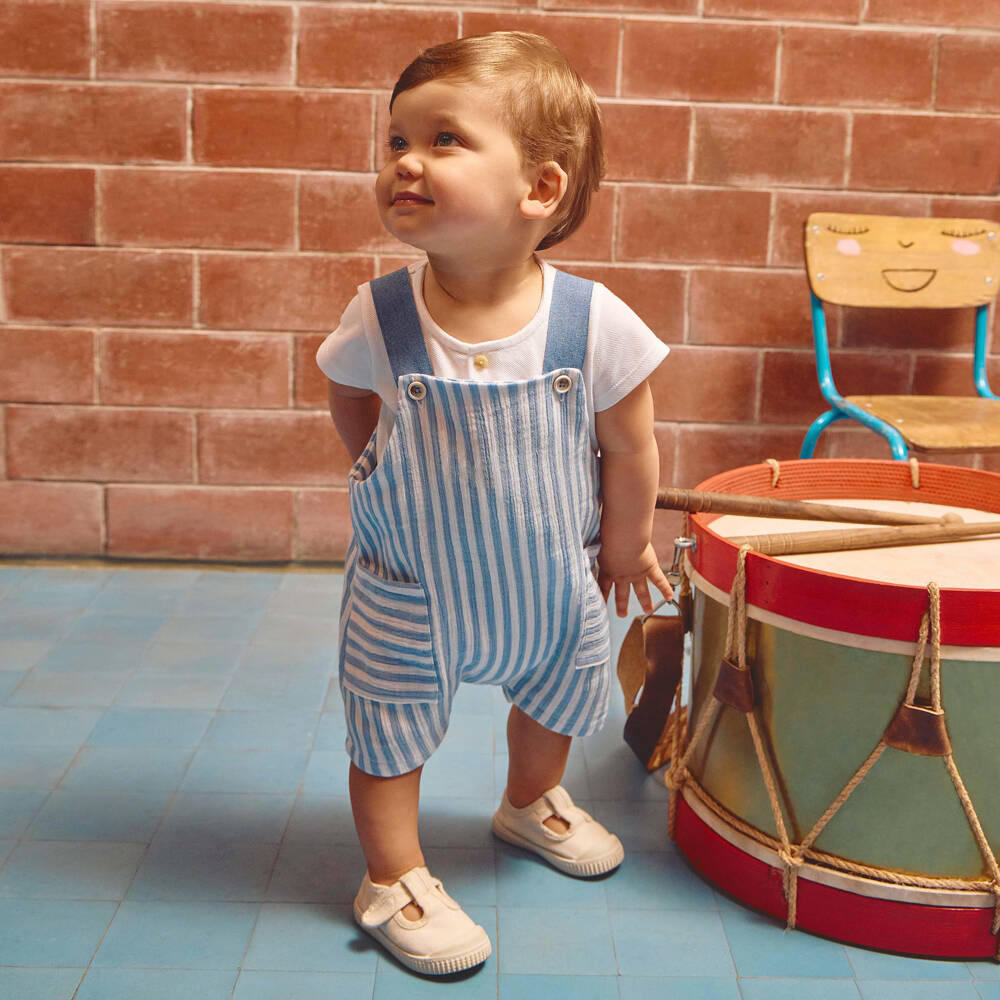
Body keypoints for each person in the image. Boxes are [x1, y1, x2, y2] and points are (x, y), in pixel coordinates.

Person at [316, 30, 671, 976]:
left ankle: (529, 801)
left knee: (554, 692)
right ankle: (391, 875)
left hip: (549, 576)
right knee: (388, 724)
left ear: (540, 190)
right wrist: (372, 464)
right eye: (396, 141)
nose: (405, 161)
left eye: (443, 140)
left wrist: (629, 544)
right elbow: (348, 392)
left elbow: (630, 445)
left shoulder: (592, 320)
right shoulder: (381, 314)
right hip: (412, 585)